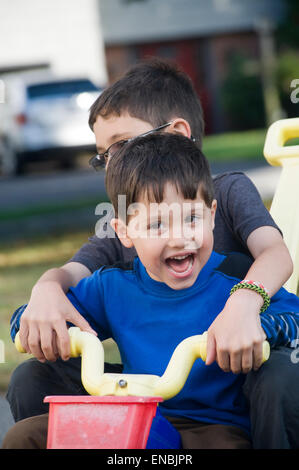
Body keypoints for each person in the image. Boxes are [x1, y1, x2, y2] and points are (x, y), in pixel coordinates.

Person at [6, 59, 298, 449]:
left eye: (121, 145)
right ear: (127, 233)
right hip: (145, 392)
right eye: (103, 155)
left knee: (282, 372)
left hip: (228, 380)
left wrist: (244, 307)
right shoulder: (124, 223)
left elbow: (275, 254)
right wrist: (44, 296)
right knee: (32, 378)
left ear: (178, 133)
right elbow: (71, 275)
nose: (112, 163)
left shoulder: (226, 192)